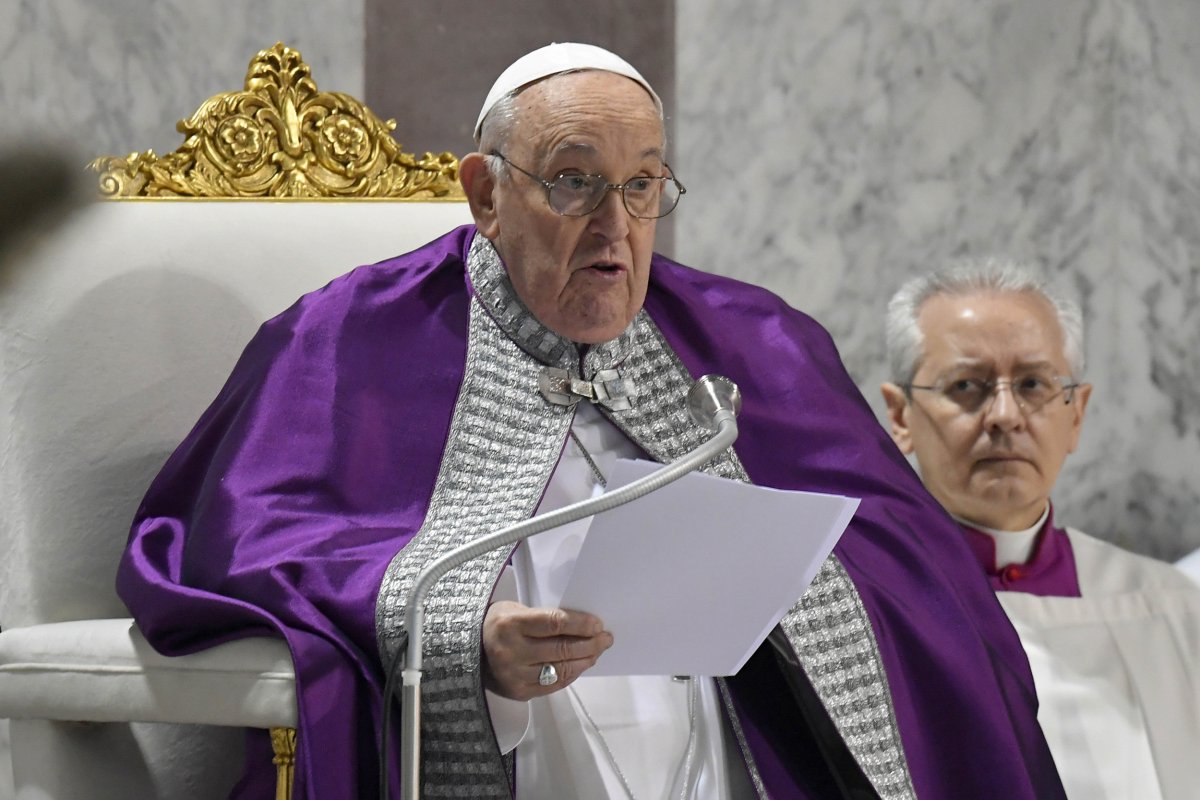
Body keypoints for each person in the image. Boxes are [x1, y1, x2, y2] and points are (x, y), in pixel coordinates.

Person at [117, 44, 1066, 799]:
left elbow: (910, 557)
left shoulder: (756, 339)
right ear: (486, 194)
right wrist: (461, 636)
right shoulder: (344, 340)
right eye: (574, 181)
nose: (616, 226)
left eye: (643, 185)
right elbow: (238, 540)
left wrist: (795, 586)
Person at [880, 258, 1200, 799]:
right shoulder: (870, 607)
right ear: (901, 415)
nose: (1005, 414)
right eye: (966, 385)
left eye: (1033, 383)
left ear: (1076, 414)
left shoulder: (1171, 607)